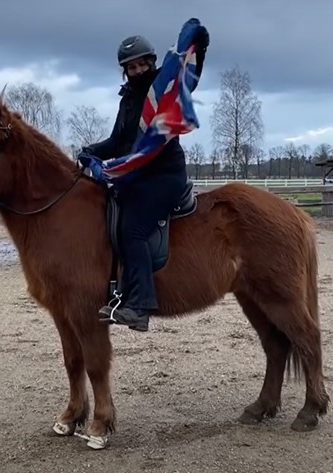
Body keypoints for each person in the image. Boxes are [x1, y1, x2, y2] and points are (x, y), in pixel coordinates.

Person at [81, 27, 210, 332]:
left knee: (133, 229)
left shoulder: (162, 89)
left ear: (152, 62)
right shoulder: (127, 99)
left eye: (142, 64)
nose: (138, 70)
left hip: (163, 176)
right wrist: (88, 152)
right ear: (124, 71)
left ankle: (139, 306)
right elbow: (117, 141)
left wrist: (199, 49)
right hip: (137, 176)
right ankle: (117, 291)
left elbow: (186, 74)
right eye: (131, 66)